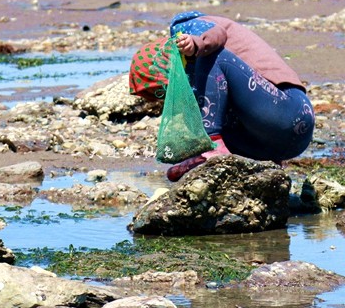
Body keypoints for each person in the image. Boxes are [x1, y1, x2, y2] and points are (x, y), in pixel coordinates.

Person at [129, 11, 315, 181]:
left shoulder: (187, 27)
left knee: (211, 56)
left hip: (289, 109)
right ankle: (209, 156)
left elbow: (217, 35)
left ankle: (212, 144)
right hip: (280, 145)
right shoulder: (204, 80)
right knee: (205, 108)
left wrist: (195, 43)